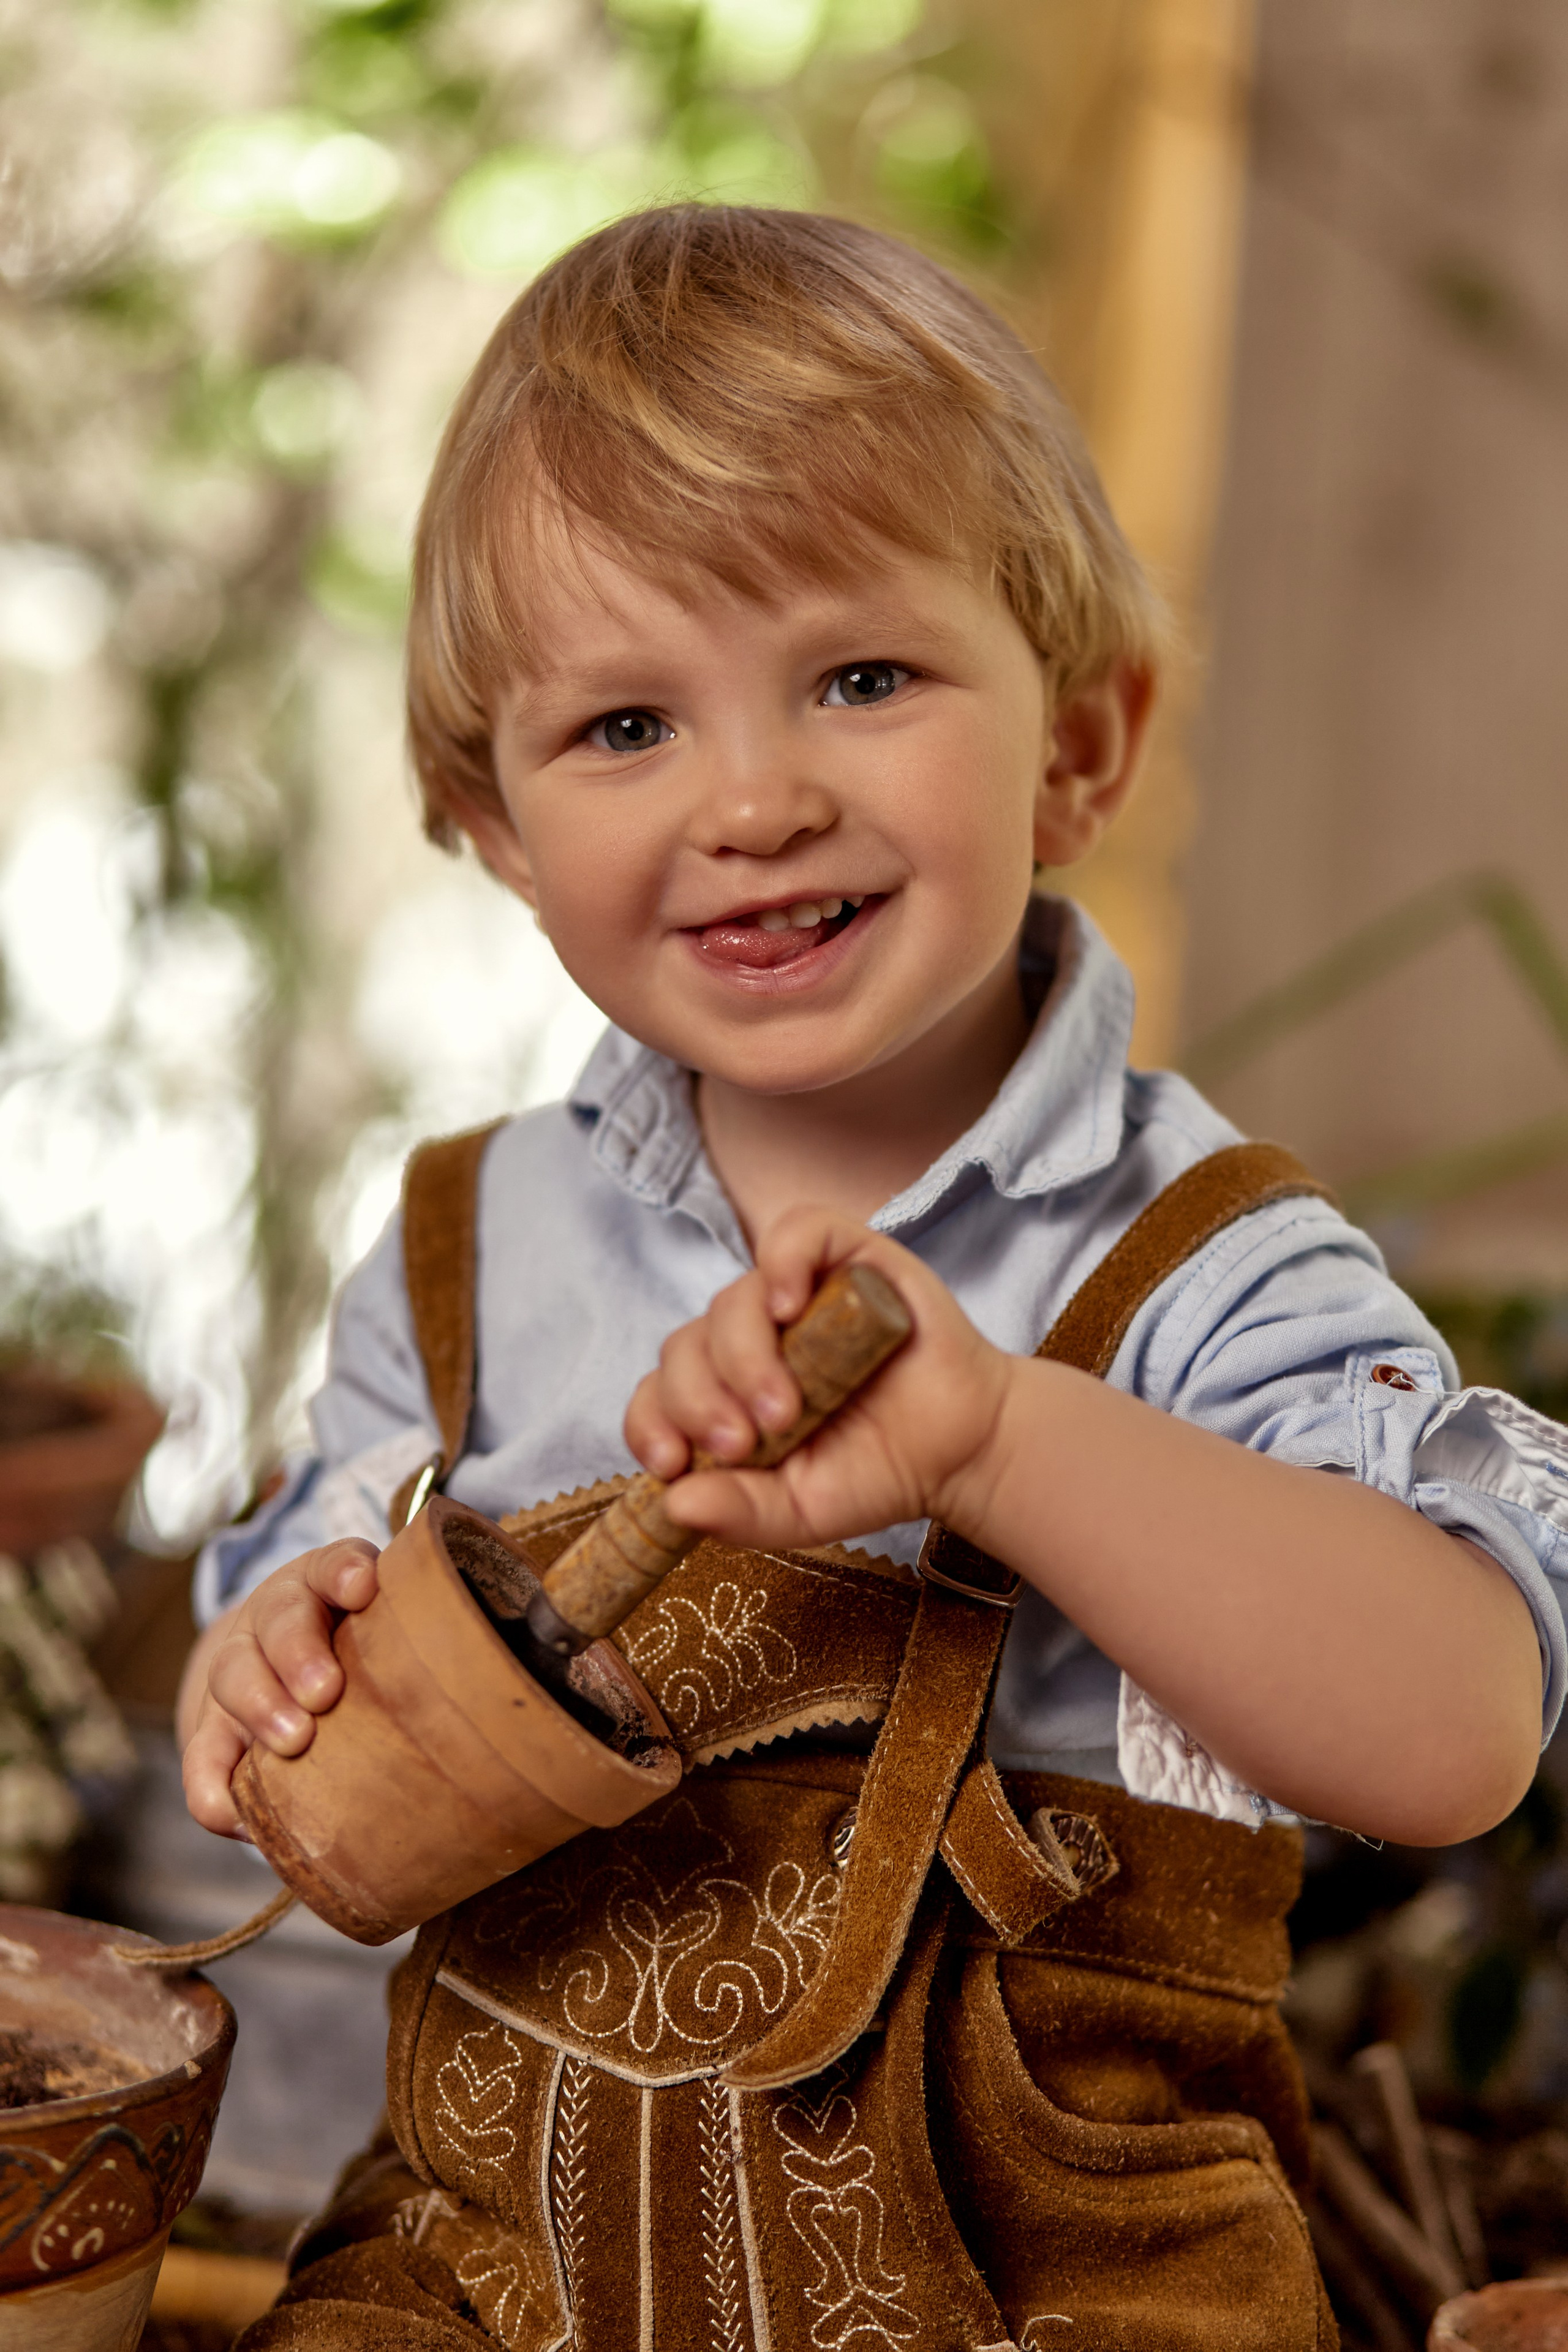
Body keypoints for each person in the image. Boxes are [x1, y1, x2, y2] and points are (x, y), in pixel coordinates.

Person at [177, 205, 1568, 2352]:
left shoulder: (1204, 1264)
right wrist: (270, 1662)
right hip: (505, 2270)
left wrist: (1008, 1434)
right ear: (493, 825)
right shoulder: (466, 1250)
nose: (753, 797)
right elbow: (317, 1683)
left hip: (1054, 2291)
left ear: (1081, 745)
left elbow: (1462, 1726)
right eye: (625, 727)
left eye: (862, 676)